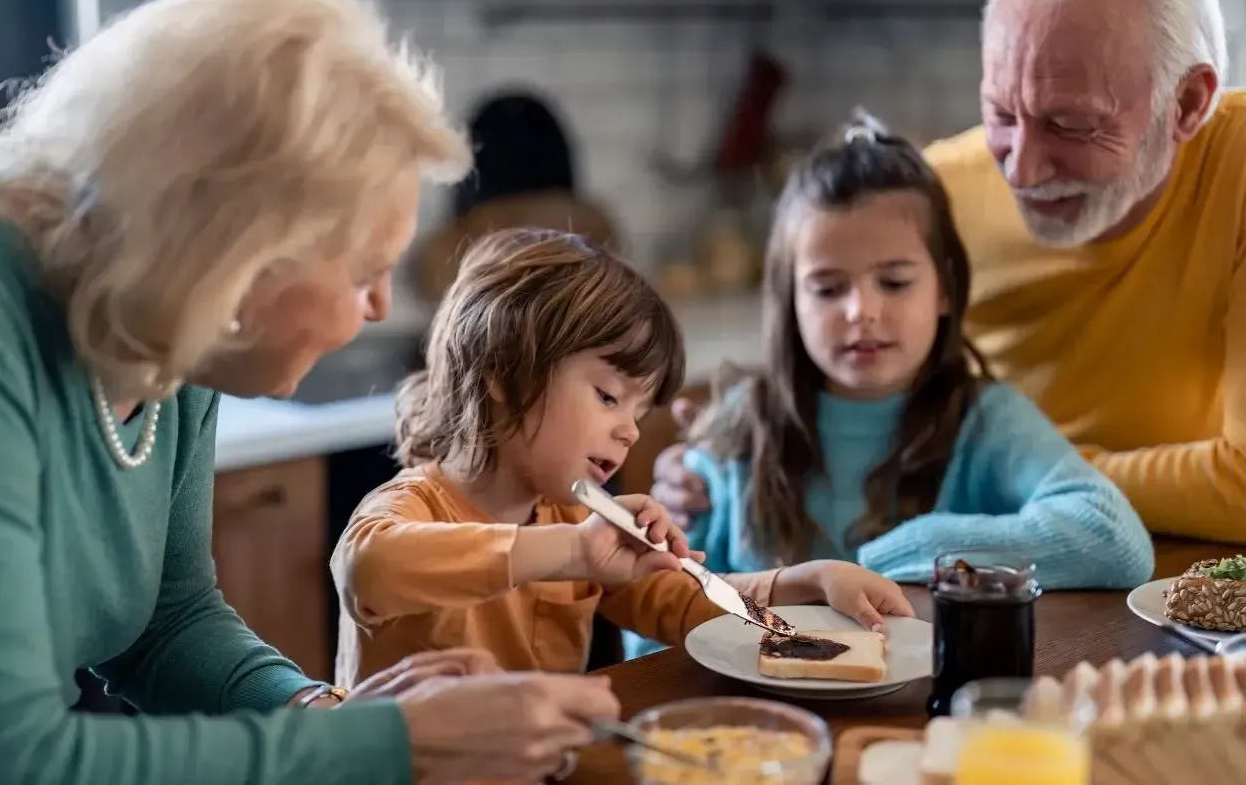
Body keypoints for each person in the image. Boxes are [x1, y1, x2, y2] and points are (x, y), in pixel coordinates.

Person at [0, 0, 625, 784]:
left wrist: (320, 713)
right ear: (238, 248)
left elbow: (167, 625)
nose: (380, 307)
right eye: (364, 270)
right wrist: (392, 747)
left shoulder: (160, 323)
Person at [654, 0, 1246, 545]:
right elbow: (818, 386)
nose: (1021, 170)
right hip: (986, 568)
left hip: (1174, 571)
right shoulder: (929, 200)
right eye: (1002, 114)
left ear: (1188, 104)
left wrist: (1036, 483)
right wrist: (721, 461)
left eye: (1071, 124)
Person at [629, 115, 1153, 659]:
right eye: (828, 288)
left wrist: (881, 561)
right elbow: (649, 625)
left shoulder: (986, 419)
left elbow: (1114, 540)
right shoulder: (737, 431)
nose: (863, 312)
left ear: (946, 289)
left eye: (895, 282)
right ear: (791, 303)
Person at [330, 228, 913, 688]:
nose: (630, 432)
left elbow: (683, 601)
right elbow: (369, 569)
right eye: (608, 396)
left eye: (637, 411)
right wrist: (573, 552)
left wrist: (805, 581)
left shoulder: (569, 523)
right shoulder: (412, 508)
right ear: (503, 375)